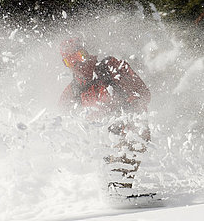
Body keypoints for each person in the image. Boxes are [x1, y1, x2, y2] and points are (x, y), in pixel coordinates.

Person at [60, 37, 151, 193]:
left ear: (87, 53)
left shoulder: (109, 67)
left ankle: (120, 188)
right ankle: (93, 192)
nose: (76, 64)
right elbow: (60, 120)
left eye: (78, 56)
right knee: (92, 155)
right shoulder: (73, 91)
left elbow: (142, 93)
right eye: (69, 61)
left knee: (136, 134)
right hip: (98, 138)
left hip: (125, 125)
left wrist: (133, 105)